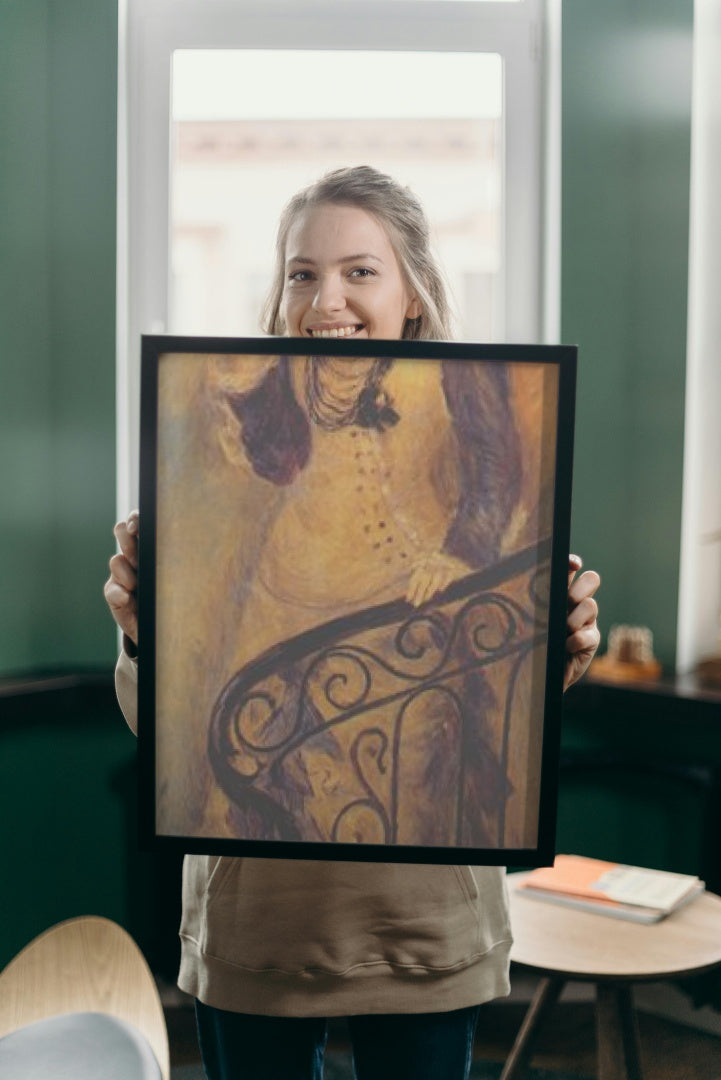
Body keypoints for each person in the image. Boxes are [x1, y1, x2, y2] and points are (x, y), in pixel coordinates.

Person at [105, 166, 601, 1080]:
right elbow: (172, 729)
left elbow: (501, 692)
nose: (324, 298)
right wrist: (143, 636)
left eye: (358, 271)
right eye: (301, 273)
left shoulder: (478, 410)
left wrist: (557, 643)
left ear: (412, 292)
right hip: (257, 919)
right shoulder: (230, 422)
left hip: (421, 920)